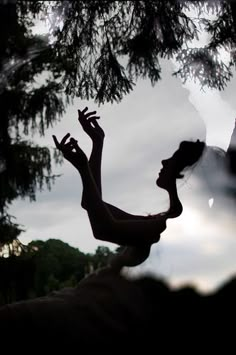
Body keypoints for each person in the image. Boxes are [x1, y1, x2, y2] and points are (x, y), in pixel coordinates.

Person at [53, 107, 205, 268]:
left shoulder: (167, 224)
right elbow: (92, 205)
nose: (164, 161)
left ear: (186, 172)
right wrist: (97, 143)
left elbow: (103, 228)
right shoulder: (161, 220)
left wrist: (84, 168)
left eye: (174, 159)